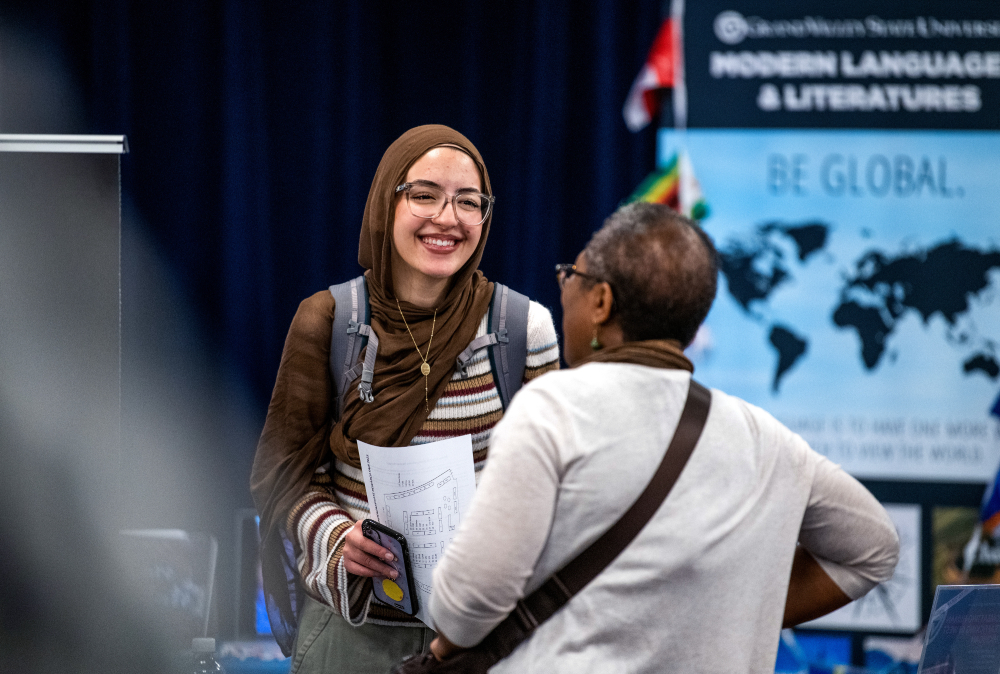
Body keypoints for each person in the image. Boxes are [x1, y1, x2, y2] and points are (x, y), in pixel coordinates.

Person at [428, 202, 900, 673]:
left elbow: (465, 608)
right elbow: (873, 548)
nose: (563, 285)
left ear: (601, 303)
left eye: (571, 273)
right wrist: (734, 620)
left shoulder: (553, 409)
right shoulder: (768, 440)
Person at [250, 125, 560, 672]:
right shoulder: (329, 321)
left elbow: (553, 490)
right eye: (424, 195)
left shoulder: (524, 329)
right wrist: (337, 535)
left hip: (480, 642)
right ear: (385, 202)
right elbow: (286, 476)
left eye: (469, 202)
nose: (447, 218)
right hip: (351, 636)